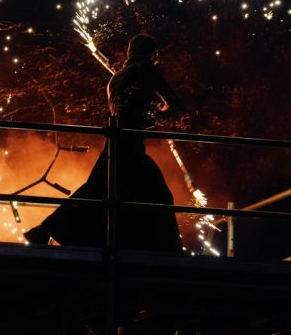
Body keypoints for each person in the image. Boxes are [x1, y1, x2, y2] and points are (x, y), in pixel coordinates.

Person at [23, 33, 183, 252]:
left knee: (100, 190)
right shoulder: (148, 70)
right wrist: (155, 116)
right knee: (156, 194)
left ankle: (46, 230)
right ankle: (167, 251)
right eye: (155, 56)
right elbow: (173, 103)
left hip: (115, 140)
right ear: (150, 54)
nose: (156, 60)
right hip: (132, 144)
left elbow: (123, 112)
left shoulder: (115, 79)